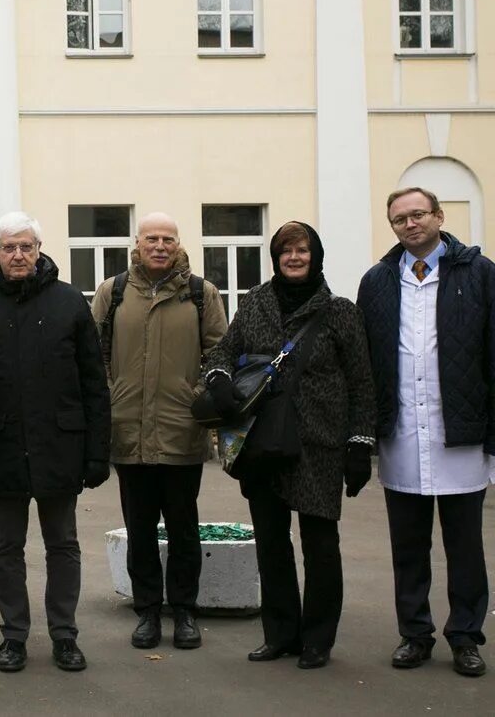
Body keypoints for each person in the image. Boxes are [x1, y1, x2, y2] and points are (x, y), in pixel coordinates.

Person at [205, 221, 376, 669]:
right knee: (271, 542)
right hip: (262, 441)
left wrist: (359, 444)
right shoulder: (256, 302)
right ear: (276, 258)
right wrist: (219, 378)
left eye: (302, 250)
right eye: (286, 251)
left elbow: (361, 381)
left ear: (315, 256)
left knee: (320, 544)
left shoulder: (340, 312)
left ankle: (317, 639)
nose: (294, 257)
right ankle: (280, 634)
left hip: (318, 444)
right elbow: (223, 350)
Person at [0, 211, 111, 674]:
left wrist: (97, 451)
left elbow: (93, 383)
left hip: (59, 445)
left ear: (39, 249)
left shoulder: (69, 303)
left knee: (63, 544)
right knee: (7, 547)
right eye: (9, 247)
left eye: (26, 246)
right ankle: (14, 637)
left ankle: (65, 636)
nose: (18, 255)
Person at [357, 187, 495, 678]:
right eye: (399, 219)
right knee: (408, 546)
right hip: (402, 435)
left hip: (460, 432)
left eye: (418, 215)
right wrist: (365, 431)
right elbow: (366, 362)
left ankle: (465, 637)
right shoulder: (376, 282)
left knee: (465, 547)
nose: (410, 224)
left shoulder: (479, 274)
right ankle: (414, 634)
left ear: (439, 216)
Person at [90, 213, 227, 651]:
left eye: (168, 238)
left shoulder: (200, 294)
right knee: (140, 529)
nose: (160, 245)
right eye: (152, 238)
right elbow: (93, 356)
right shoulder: (113, 293)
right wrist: (111, 396)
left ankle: (184, 611)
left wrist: (198, 396)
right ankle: (148, 611)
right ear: (138, 242)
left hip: (181, 430)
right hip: (128, 431)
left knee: (184, 528)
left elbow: (220, 353)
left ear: (178, 243)